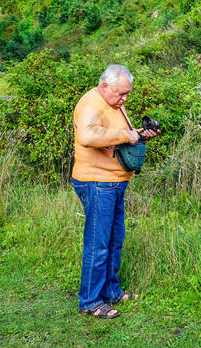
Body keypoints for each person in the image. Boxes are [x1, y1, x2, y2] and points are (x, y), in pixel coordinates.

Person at [72, 64, 158, 319]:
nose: (125, 99)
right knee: (98, 244)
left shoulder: (112, 103)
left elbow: (122, 137)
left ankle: (111, 291)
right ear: (105, 85)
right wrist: (126, 136)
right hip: (97, 182)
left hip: (115, 181)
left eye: (127, 94)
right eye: (121, 94)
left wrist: (140, 135)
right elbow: (88, 136)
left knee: (114, 241)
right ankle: (89, 301)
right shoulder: (91, 103)